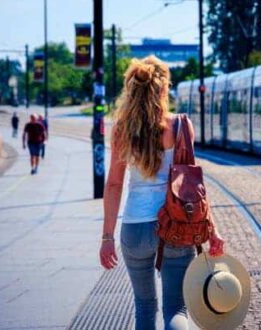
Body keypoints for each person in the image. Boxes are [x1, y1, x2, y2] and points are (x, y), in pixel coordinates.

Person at [99, 55, 225, 330]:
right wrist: (212, 232)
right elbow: (194, 188)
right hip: (176, 225)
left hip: (135, 228)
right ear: (164, 88)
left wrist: (107, 236)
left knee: (144, 307)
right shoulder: (180, 126)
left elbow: (114, 185)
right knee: (176, 309)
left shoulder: (121, 129)